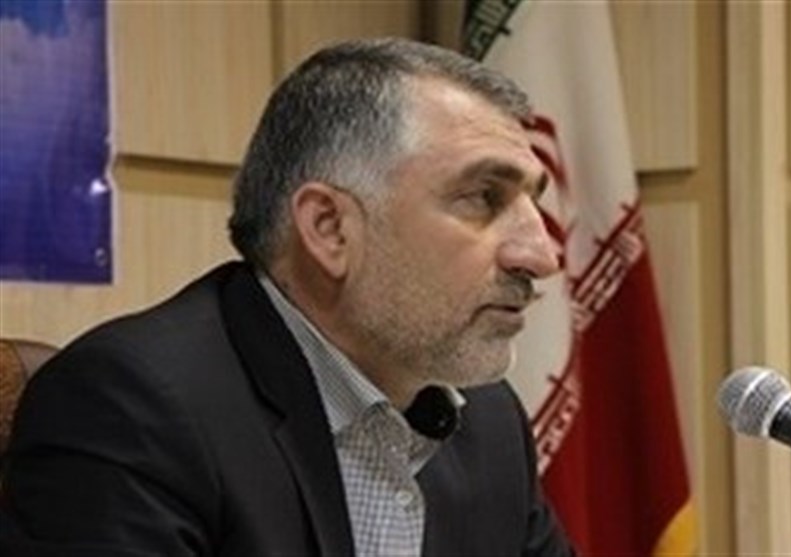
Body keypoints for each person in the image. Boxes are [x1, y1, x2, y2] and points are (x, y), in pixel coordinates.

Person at [0, 38, 575, 556]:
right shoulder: (132, 406)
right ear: (330, 228)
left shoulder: (488, 420)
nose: (541, 256)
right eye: (483, 197)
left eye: (533, 203)